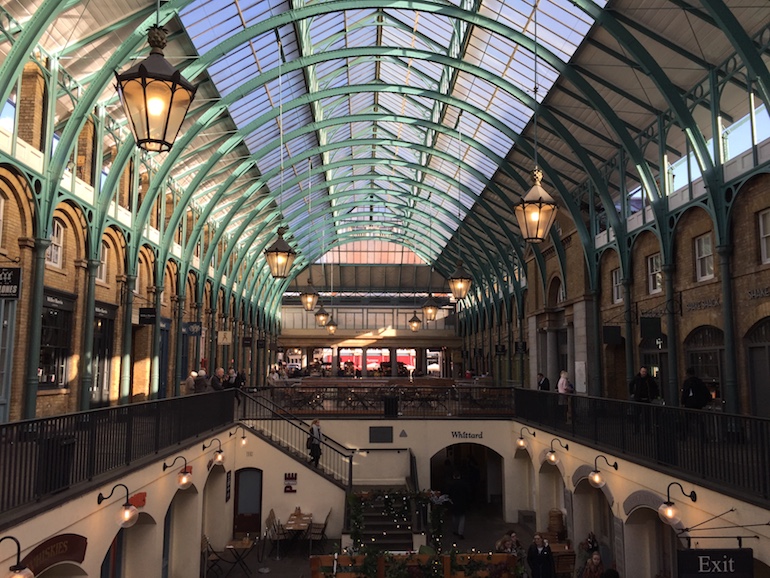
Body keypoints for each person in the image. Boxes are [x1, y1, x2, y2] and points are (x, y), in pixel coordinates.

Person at [446, 470, 472, 539]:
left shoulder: (451, 484)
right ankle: (460, 532)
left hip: (454, 502)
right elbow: (468, 493)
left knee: (455, 517)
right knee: (462, 518)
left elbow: (449, 493)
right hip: (462, 502)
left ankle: (455, 530)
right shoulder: (464, 484)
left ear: (454, 476)